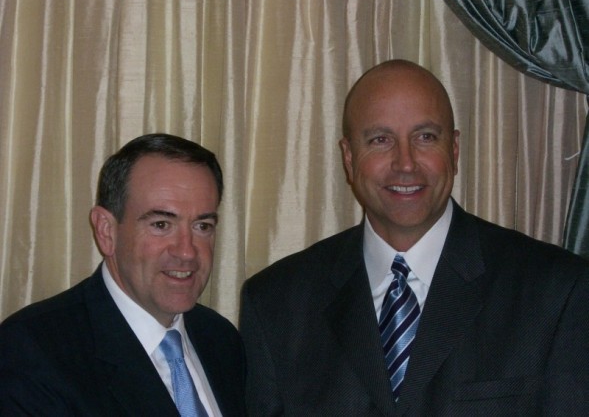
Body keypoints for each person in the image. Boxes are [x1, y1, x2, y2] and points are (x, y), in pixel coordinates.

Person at [239, 60, 589, 415]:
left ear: (454, 150)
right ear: (349, 158)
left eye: (425, 137)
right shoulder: (276, 304)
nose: (405, 163)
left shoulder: (556, 291)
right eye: (380, 140)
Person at [0, 133, 246, 416]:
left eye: (202, 226)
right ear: (106, 231)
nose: (187, 251)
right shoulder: (34, 351)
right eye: (161, 224)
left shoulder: (220, 338)